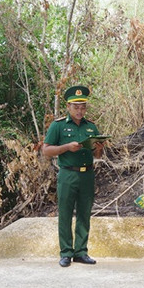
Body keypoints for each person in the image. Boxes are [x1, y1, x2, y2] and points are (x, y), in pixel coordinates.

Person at [42, 85, 105, 267]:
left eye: (83, 107)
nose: (80, 110)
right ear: (68, 107)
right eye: (76, 107)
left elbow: (97, 156)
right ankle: (66, 253)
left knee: (85, 213)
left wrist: (99, 150)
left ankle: (81, 252)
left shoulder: (91, 126)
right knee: (66, 213)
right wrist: (66, 147)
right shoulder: (58, 125)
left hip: (87, 175)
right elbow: (46, 150)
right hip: (67, 174)